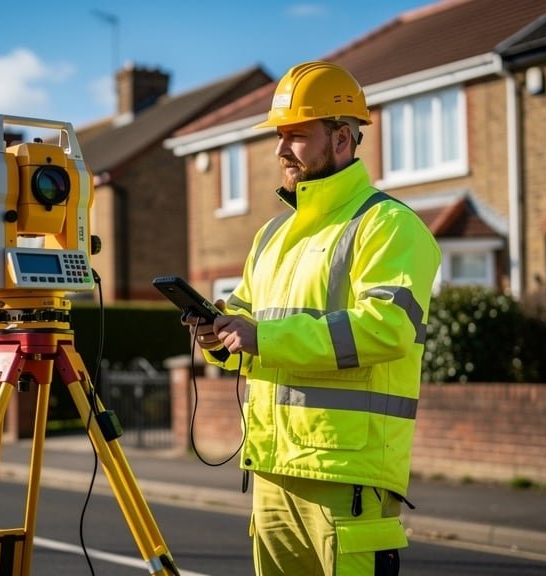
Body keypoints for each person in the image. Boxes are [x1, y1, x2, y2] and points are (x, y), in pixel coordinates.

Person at [186, 61, 441, 575]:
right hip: (273, 473)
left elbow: (388, 328)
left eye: (297, 136)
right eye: (280, 137)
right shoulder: (272, 236)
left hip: (346, 474)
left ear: (343, 138)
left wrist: (263, 337)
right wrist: (217, 333)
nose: (281, 151)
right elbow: (245, 319)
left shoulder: (390, 225)